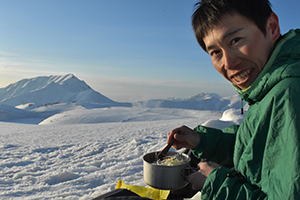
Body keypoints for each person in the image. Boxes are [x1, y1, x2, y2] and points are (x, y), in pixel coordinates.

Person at [167, 0, 300, 199]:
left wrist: (216, 183)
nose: (228, 63)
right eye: (215, 52)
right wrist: (202, 140)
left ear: (271, 27)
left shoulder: (288, 94)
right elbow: (259, 149)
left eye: (236, 40)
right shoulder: (267, 88)